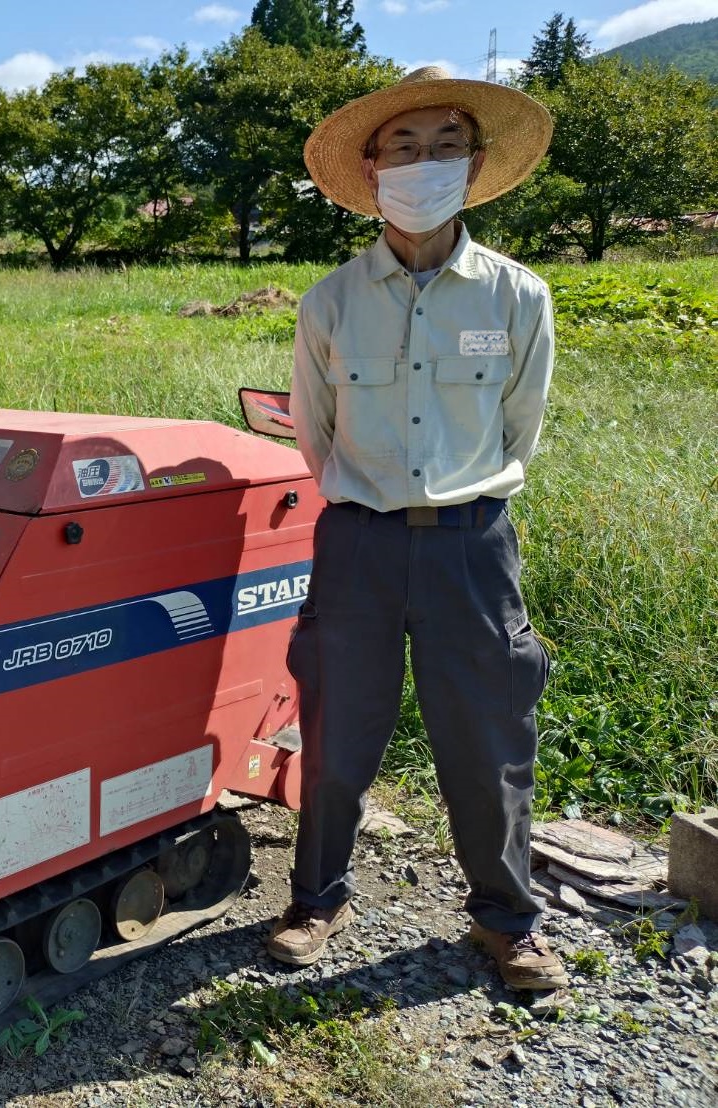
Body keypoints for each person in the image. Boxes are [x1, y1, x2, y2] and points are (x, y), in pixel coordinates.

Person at [268, 66, 567, 991]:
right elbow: (313, 433)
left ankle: (506, 922)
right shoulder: (328, 301)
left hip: (472, 546)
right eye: (402, 146)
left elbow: (522, 426)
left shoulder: (516, 297)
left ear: (473, 165)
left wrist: (456, 500)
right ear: (371, 169)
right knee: (334, 734)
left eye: (443, 144)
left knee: (487, 740)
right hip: (356, 543)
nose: (422, 162)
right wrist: (369, 502)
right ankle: (317, 900)